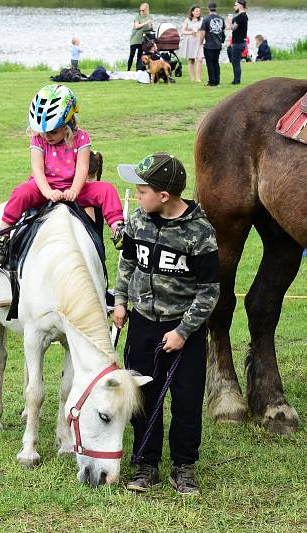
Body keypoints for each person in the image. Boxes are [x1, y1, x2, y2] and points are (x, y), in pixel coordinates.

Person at [113, 152, 220, 495]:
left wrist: (183, 331)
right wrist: (120, 300)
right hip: (143, 324)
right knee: (143, 395)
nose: (137, 195)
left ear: (164, 196)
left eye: (142, 190)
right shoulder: (138, 221)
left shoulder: (200, 233)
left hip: (182, 329)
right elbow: (127, 263)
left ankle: (183, 466)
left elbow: (208, 291)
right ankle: (146, 465)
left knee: (187, 400)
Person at [0, 84, 125, 264]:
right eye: (43, 131)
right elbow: (37, 169)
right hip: (44, 187)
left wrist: (74, 190)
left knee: (107, 189)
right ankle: (3, 234)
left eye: (53, 132)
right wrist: (47, 192)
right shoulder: (38, 139)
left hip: (75, 188)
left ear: (68, 124)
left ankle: (118, 229)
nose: (46, 136)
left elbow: (82, 168)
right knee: (20, 193)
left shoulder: (82, 137)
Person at [198, 2, 225, 87]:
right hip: (218, 44)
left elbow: (202, 32)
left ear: (208, 8)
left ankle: (212, 82)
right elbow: (223, 30)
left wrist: (201, 42)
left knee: (210, 63)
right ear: (216, 8)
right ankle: (217, 81)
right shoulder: (221, 19)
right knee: (216, 63)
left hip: (209, 44)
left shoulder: (206, 19)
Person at [179, 5, 204, 82]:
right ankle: (192, 78)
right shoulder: (187, 20)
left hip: (200, 41)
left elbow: (204, 30)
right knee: (191, 60)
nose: (198, 13)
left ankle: (198, 78)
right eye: (196, 11)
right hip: (190, 41)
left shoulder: (202, 20)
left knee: (200, 59)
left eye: (199, 11)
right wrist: (190, 32)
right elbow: (182, 31)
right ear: (192, 12)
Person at [128, 3, 154, 71]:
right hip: (135, 39)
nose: (141, 12)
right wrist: (146, 22)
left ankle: (137, 70)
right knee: (131, 55)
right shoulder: (138, 17)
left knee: (139, 56)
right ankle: (128, 70)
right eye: (140, 10)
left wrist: (151, 26)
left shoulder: (150, 17)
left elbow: (150, 28)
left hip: (143, 40)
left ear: (147, 10)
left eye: (143, 10)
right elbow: (136, 26)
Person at [227, 0, 248, 85]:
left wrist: (229, 20)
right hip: (241, 42)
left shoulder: (241, 16)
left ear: (240, 5)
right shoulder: (243, 16)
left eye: (235, 5)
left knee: (235, 62)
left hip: (238, 43)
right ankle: (236, 80)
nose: (234, 6)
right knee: (235, 61)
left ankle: (236, 81)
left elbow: (233, 27)